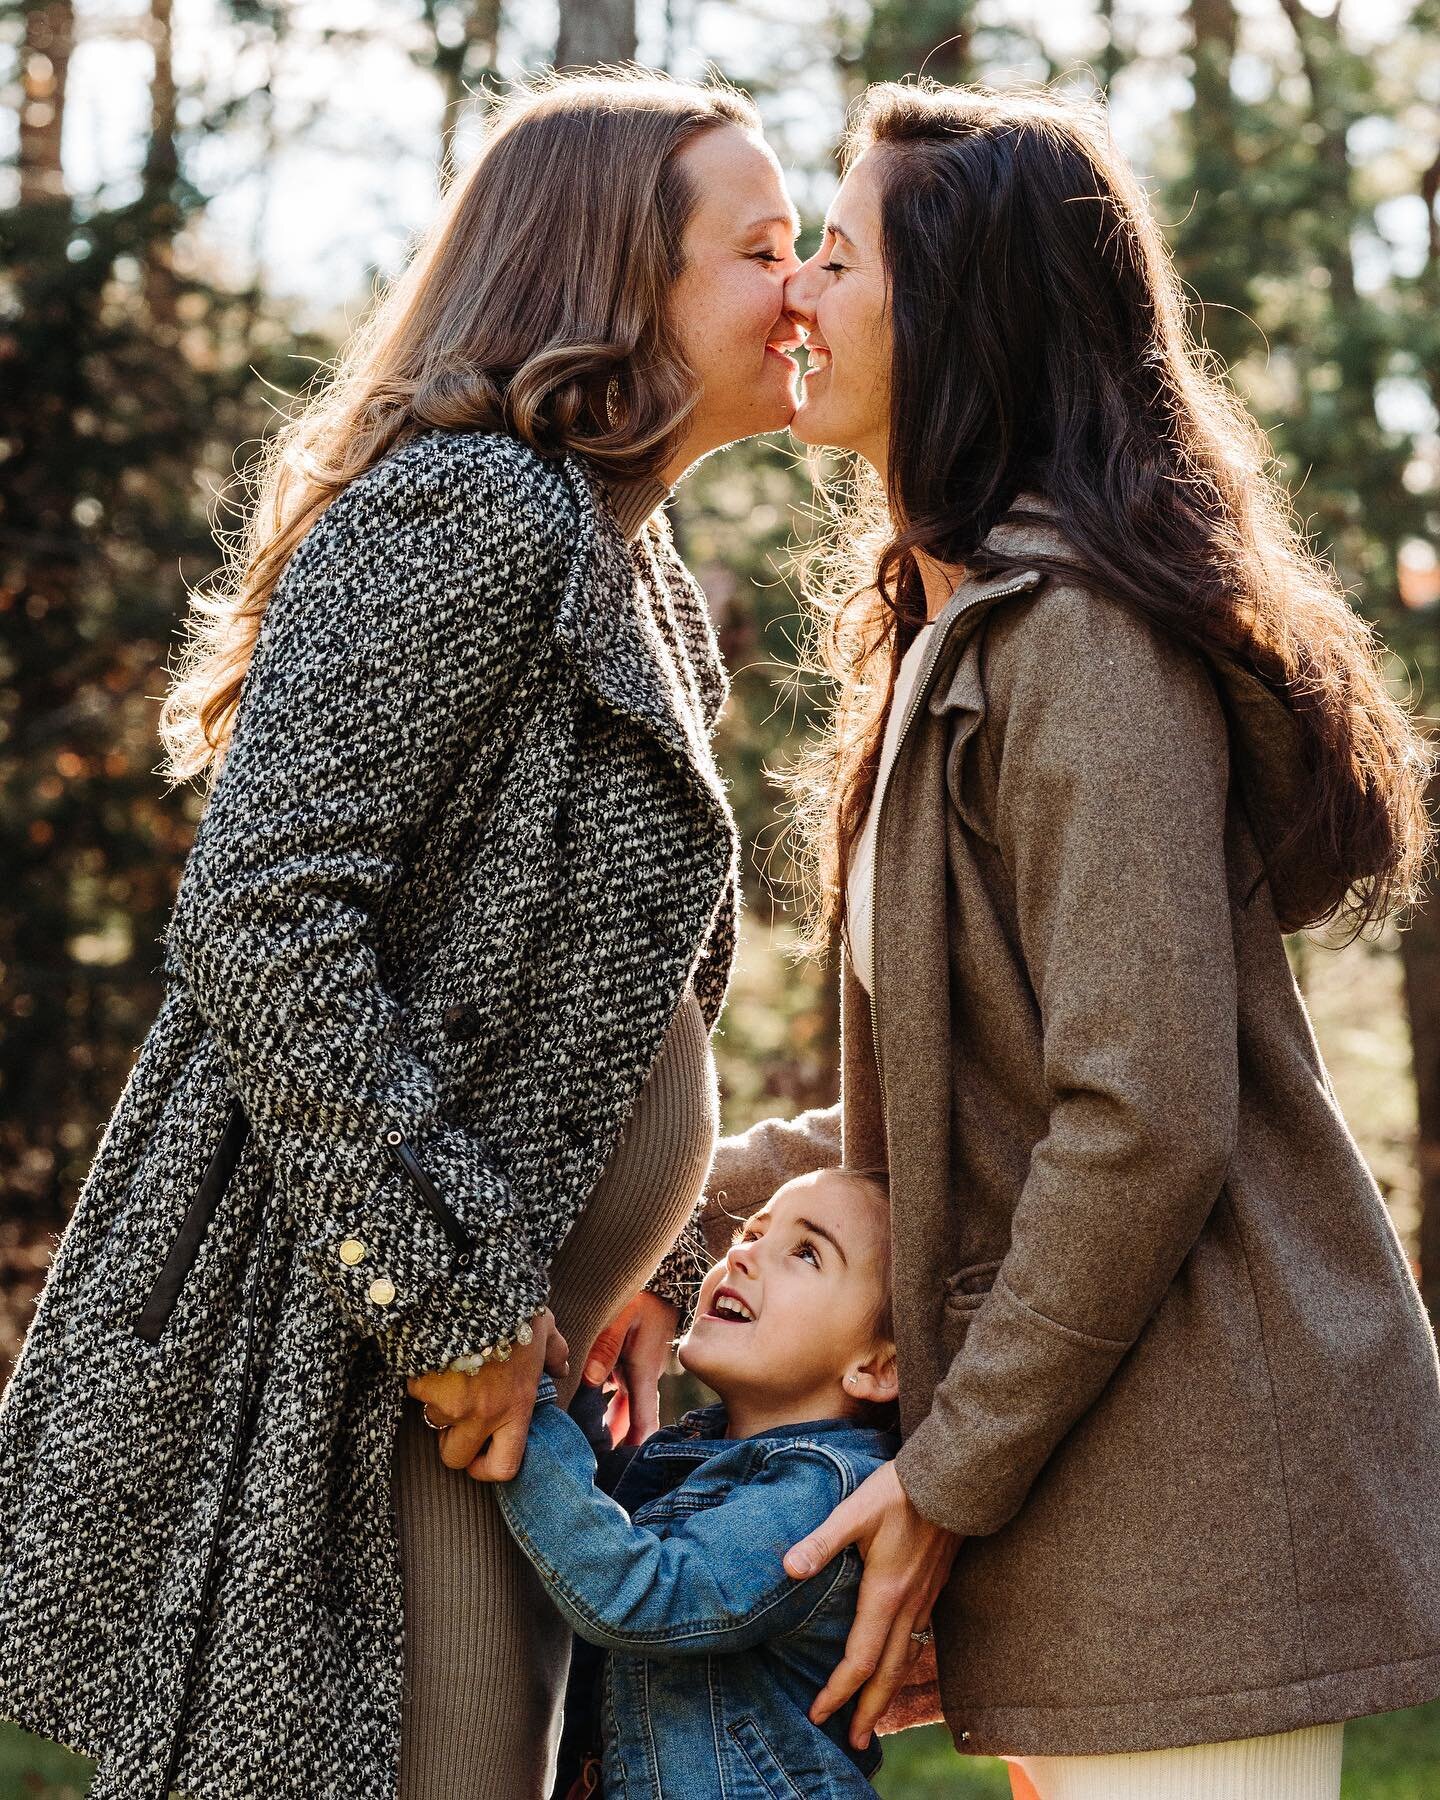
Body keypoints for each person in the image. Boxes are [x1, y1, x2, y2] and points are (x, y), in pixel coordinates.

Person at [0, 69, 806, 1800]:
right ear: (616, 285)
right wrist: (441, 1305)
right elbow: (267, 915)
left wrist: (649, 1281)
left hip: (504, 1374)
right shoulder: (469, 512)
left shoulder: (633, 565)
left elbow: (634, 987)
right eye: (764, 249)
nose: (802, 291)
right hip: (359, 1371)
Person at [702, 80, 1440, 1800]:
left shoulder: (1084, 645)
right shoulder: (967, 636)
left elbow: (1142, 1117)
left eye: (836, 251)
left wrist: (946, 1475)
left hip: (1191, 1484)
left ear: (956, 312)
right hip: (1086, 1479)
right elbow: (953, 1122)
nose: (798, 290)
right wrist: (653, 1247)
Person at [474, 1167, 900, 1798]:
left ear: (875, 1366)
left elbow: (637, 1590)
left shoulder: (826, 1490)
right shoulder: (697, 1454)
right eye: (753, 1232)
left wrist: (522, 1403)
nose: (743, 1254)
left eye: (805, 1252)